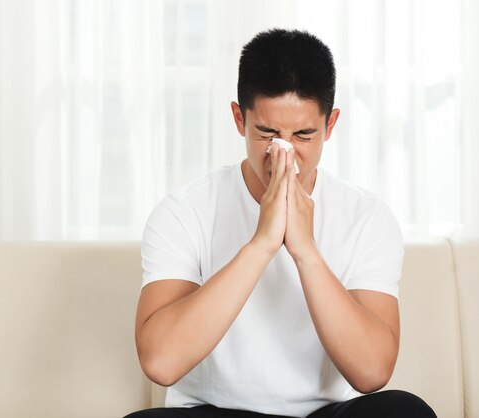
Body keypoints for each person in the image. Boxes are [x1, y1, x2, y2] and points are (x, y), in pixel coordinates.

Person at [124, 29, 436, 418]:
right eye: (267, 133)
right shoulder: (184, 211)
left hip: (325, 414)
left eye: (303, 135)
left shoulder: (366, 216)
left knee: (404, 411)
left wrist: (305, 251)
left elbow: (372, 372)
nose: (283, 152)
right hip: (215, 411)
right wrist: (262, 245)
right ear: (239, 119)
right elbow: (161, 363)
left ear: (330, 125)